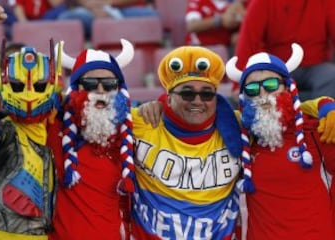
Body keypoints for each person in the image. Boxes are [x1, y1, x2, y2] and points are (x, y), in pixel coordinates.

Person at [131, 45, 244, 239]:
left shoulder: (239, 127)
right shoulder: (142, 122)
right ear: (168, 97)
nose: (197, 101)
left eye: (207, 94)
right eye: (187, 93)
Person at [225, 43, 335, 239]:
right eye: (252, 89)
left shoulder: (318, 128)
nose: (263, 94)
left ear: (287, 87)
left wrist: (325, 103)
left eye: (271, 85)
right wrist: (162, 103)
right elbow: (199, 113)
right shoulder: (240, 134)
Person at [0, 2, 63, 240]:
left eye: (37, 83)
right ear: (1, 84)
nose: (28, 94)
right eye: (17, 83)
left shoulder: (57, 125)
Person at [49, 39, 135, 240]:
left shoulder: (131, 128)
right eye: (89, 83)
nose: (100, 90)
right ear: (76, 88)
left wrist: (158, 105)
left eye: (109, 83)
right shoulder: (53, 123)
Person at [233, 0, 335, 101]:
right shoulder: (262, 3)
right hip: (276, 68)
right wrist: (239, 85)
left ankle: (322, 114)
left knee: (331, 76)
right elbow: (248, 41)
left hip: (317, 66)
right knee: (265, 82)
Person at [58, 0, 158, 39]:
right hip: (88, 11)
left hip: (121, 10)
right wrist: (94, 8)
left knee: (152, 15)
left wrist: (106, 3)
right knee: (66, 19)